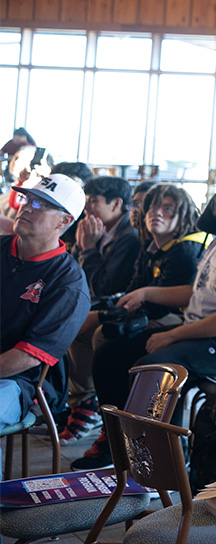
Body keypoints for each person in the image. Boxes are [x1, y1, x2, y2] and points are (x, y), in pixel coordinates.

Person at [78, 163, 216, 469]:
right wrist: (147, 292)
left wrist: (171, 335)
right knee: (110, 352)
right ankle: (117, 441)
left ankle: (166, 463)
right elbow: (197, 292)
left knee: (155, 369)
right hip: (204, 332)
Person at [60, 184, 207, 441]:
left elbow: (158, 305)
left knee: (106, 340)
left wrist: (104, 315)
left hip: (179, 321)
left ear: (183, 215)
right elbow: (131, 291)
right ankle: (85, 404)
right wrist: (103, 311)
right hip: (151, 313)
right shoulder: (149, 245)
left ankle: (114, 432)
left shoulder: (184, 249)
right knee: (77, 324)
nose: (155, 213)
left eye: (167, 208)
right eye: (151, 207)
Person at [0, 174, 90, 427]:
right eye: (27, 198)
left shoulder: (68, 281)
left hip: (20, 382)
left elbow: (30, 355)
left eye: (40, 204)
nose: (26, 207)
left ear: (64, 220)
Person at [73, 176, 142, 301]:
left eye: (93, 201)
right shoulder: (98, 228)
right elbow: (72, 274)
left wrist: (88, 249)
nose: (86, 208)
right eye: (86, 201)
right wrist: (79, 245)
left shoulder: (130, 238)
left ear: (116, 204)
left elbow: (104, 288)